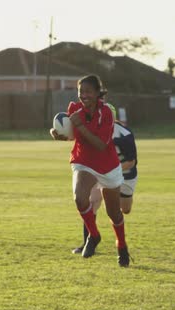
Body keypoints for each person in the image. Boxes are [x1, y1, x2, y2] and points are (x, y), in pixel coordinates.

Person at [50, 74, 131, 267]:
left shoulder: (106, 113)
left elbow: (101, 144)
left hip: (107, 164)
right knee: (79, 197)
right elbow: (73, 135)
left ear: (97, 93)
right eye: (80, 92)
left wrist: (79, 125)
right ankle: (93, 236)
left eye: (88, 91)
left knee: (114, 213)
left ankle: (121, 246)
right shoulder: (74, 109)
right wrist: (60, 135)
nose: (83, 95)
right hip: (83, 160)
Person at [71, 120, 138, 254]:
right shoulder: (94, 132)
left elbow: (131, 162)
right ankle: (88, 243)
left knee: (125, 209)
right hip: (101, 171)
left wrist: (113, 170)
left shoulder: (124, 135)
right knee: (92, 202)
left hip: (125, 175)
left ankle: (120, 240)